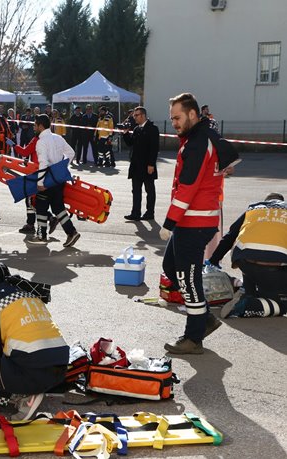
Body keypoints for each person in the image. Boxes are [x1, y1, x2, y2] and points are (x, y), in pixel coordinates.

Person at [161, 93, 238, 354]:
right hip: (192, 220)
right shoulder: (199, 137)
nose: (174, 123)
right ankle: (204, 318)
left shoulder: (198, 142)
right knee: (171, 268)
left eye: (178, 117)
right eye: (172, 118)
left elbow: (188, 187)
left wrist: (169, 222)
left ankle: (193, 338)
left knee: (187, 277)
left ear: (193, 114)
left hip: (195, 221)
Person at [0, 261, 69, 421]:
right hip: (60, 371)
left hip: (32, 371)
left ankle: (22, 398)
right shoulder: (28, 291)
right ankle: (31, 388)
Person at [208, 193, 287, 319]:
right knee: (281, 305)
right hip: (275, 268)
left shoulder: (254, 209)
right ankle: (245, 305)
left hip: (245, 262)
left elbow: (230, 236)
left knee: (248, 250)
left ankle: (248, 292)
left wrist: (213, 261)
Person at [26, 115, 80, 247]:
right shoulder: (58, 138)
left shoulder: (41, 142)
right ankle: (71, 232)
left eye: (35, 125)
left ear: (40, 126)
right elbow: (71, 153)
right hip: (58, 179)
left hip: (47, 180)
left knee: (41, 207)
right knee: (58, 207)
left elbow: (43, 163)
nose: (34, 128)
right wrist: (61, 167)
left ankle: (41, 236)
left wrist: (40, 183)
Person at [123, 106, 159, 221]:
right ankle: (135, 213)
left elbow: (154, 148)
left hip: (147, 165)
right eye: (134, 115)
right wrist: (125, 133)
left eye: (136, 115)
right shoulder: (137, 129)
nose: (134, 117)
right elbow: (130, 143)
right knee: (136, 191)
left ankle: (150, 213)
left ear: (143, 115)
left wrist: (151, 164)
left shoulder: (152, 129)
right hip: (136, 166)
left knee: (150, 190)